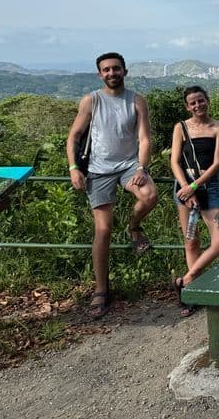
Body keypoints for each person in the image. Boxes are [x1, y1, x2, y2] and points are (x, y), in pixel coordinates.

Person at [66, 52, 159, 319]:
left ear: (124, 71)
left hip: (129, 165)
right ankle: (101, 289)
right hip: (98, 169)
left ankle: (133, 227)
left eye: (116, 69)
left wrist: (141, 166)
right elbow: (73, 136)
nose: (111, 73)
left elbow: (144, 138)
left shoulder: (136, 100)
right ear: (100, 74)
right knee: (103, 230)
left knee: (150, 195)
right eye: (106, 70)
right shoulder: (91, 101)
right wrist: (74, 169)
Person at [170, 86, 219, 317]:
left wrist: (195, 185)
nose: (197, 106)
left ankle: (187, 279)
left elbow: (217, 163)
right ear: (187, 106)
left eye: (201, 101)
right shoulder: (181, 127)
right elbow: (174, 161)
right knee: (191, 240)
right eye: (192, 103)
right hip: (184, 186)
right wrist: (187, 187)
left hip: (209, 186)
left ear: (208, 101)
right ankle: (192, 292)